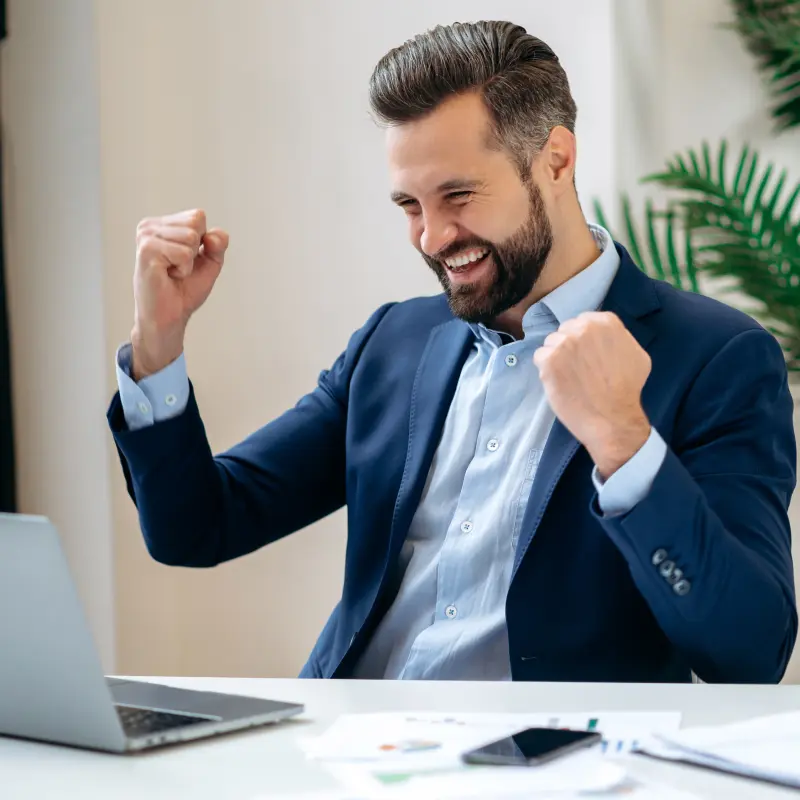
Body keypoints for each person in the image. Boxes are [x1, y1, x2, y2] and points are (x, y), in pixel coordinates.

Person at [107, 20, 797, 683]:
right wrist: (159, 343)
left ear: (555, 159)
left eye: (458, 195)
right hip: (344, 750)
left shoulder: (716, 357)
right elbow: (196, 529)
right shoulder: (393, 343)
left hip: (547, 770)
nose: (433, 237)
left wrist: (626, 443)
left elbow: (749, 650)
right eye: (409, 205)